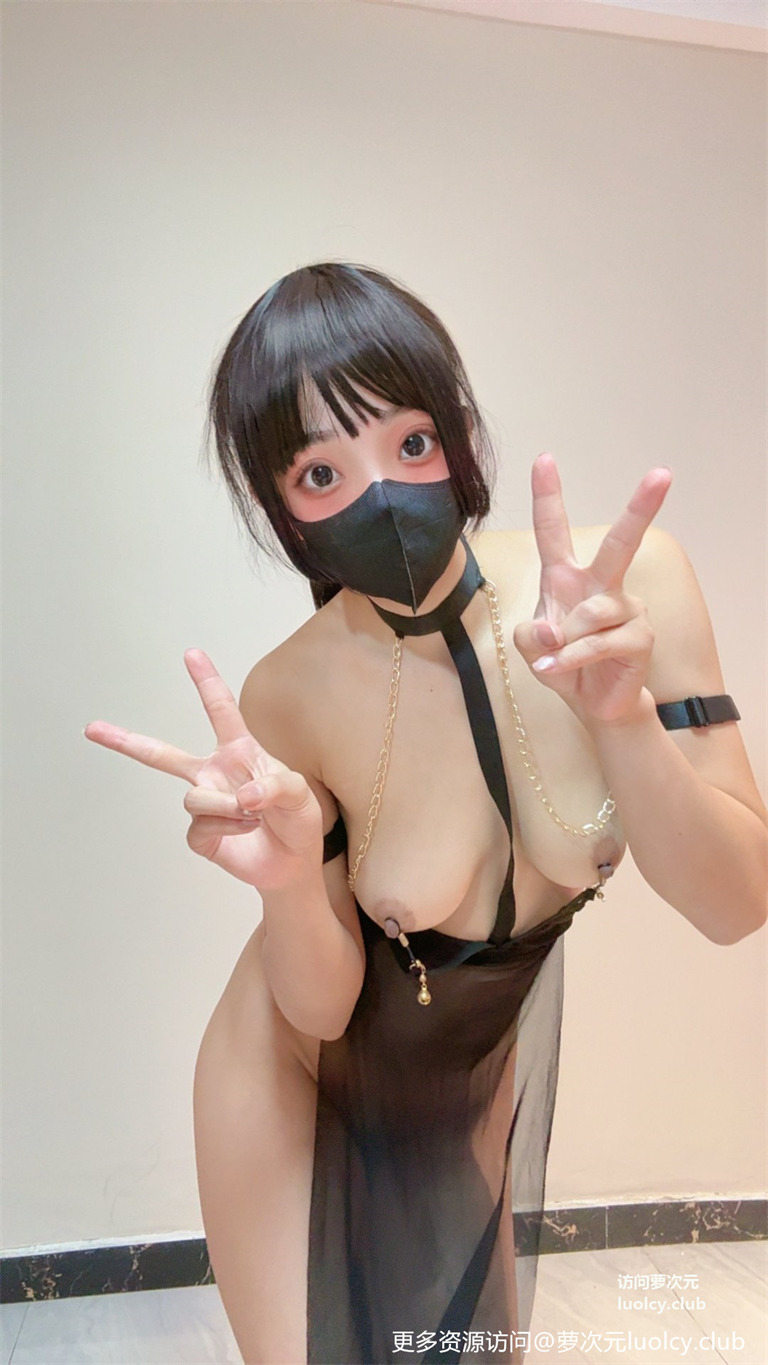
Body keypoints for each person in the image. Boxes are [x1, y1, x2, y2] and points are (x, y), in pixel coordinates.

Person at [84, 262, 767, 1365]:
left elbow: (736, 906)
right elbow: (319, 1006)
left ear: (459, 436)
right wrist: (288, 881)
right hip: (292, 1076)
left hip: (462, 1088)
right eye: (321, 471)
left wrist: (625, 719)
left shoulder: (629, 592)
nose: (382, 495)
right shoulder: (290, 691)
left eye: (410, 442)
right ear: (283, 513)